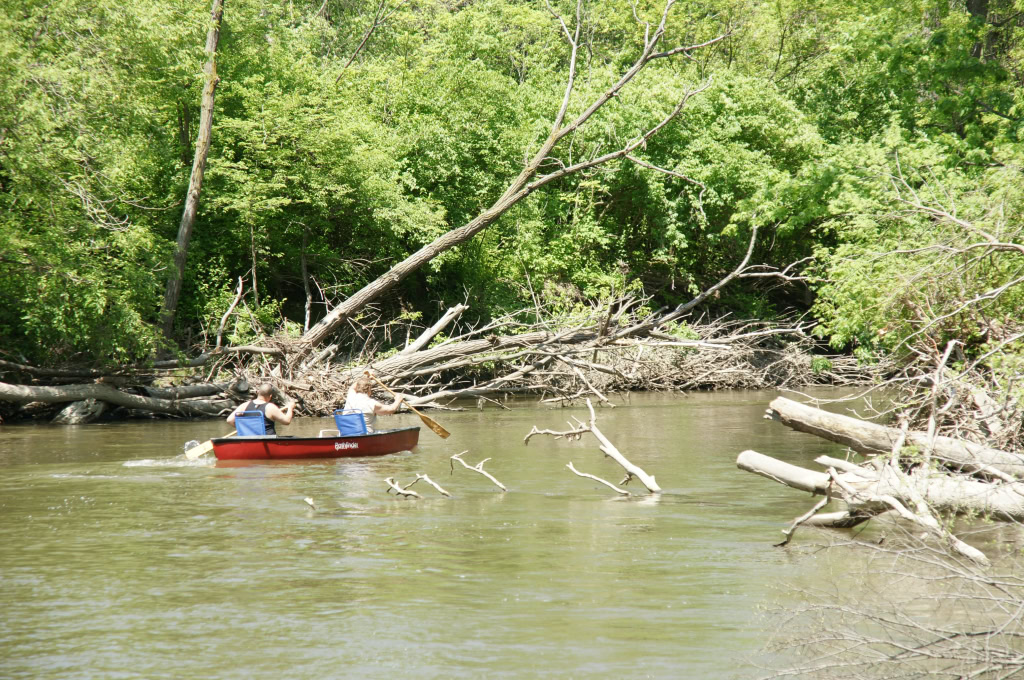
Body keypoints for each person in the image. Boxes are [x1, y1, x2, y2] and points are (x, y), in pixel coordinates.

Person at [227, 383, 295, 436]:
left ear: (257, 393)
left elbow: (229, 420)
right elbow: (287, 421)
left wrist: (244, 429)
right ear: (270, 396)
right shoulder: (270, 407)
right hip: (267, 442)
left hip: (249, 441)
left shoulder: (245, 405)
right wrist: (290, 408)